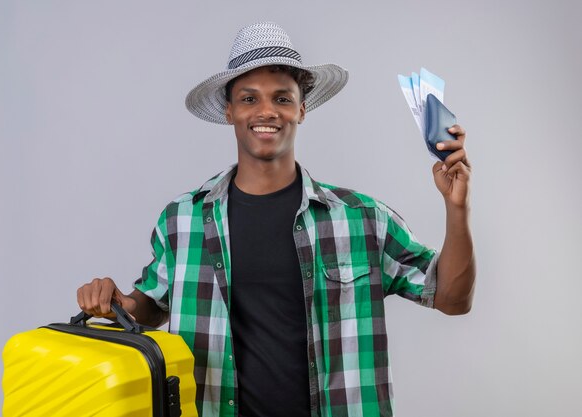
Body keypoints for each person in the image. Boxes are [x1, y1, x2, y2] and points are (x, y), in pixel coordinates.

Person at [77, 22, 475, 417]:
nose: (267, 111)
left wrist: (457, 209)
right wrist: (115, 304)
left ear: (301, 110)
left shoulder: (363, 219)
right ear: (229, 111)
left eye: (282, 99)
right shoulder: (183, 220)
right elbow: (150, 305)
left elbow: (452, 298)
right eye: (249, 99)